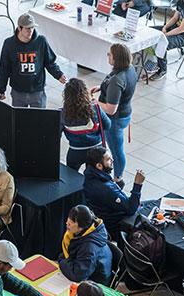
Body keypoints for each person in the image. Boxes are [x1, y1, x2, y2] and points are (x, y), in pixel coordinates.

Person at [90, 44, 136, 187]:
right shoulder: (130, 69)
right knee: (117, 149)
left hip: (115, 120)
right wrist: (103, 88)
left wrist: (95, 102)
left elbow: (110, 109)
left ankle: (118, 179)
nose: (107, 56)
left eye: (109, 55)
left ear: (117, 59)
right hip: (125, 113)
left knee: (116, 151)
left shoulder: (117, 80)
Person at [0, 13, 66, 108]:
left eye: (32, 28)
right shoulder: (9, 43)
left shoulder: (41, 41)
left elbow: (49, 62)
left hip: (37, 91)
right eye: (27, 28)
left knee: (39, 121)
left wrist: (59, 74)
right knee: (19, 121)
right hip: (18, 92)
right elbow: (4, 68)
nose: (31, 31)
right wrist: (1, 89)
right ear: (19, 28)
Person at [83, 147, 144, 239]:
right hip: (118, 224)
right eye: (108, 159)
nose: (112, 160)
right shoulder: (106, 189)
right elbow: (131, 209)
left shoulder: (91, 175)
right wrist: (137, 185)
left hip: (106, 214)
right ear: (99, 165)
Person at [61, 78, 111, 171]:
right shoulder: (95, 108)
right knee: (94, 175)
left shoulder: (62, 113)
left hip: (76, 151)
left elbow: (56, 134)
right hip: (96, 149)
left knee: (71, 175)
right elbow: (108, 125)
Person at [59, 205, 113, 286]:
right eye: (69, 218)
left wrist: (61, 261)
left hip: (95, 283)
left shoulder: (89, 248)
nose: (67, 223)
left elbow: (78, 276)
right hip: (85, 268)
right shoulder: (83, 232)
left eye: (72, 221)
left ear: (82, 225)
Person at [150, 0, 184, 81]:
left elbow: (182, 29)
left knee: (162, 42)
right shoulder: (181, 1)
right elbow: (175, 18)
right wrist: (165, 27)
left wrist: (166, 35)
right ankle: (147, 63)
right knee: (149, 31)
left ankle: (162, 70)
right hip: (175, 28)